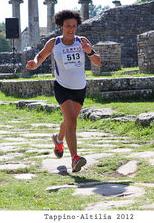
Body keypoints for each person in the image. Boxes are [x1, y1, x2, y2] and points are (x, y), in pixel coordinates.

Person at [26, 10, 101, 172]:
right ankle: (75, 158)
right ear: (61, 26)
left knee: (69, 121)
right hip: (62, 87)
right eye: (67, 25)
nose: (71, 28)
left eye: (74, 25)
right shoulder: (55, 43)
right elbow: (41, 55)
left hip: (79, 88)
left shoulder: (82, 41)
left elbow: (98, 62)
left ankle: (58, 139)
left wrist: (90, 52)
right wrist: (35, 64)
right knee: (72, 122)